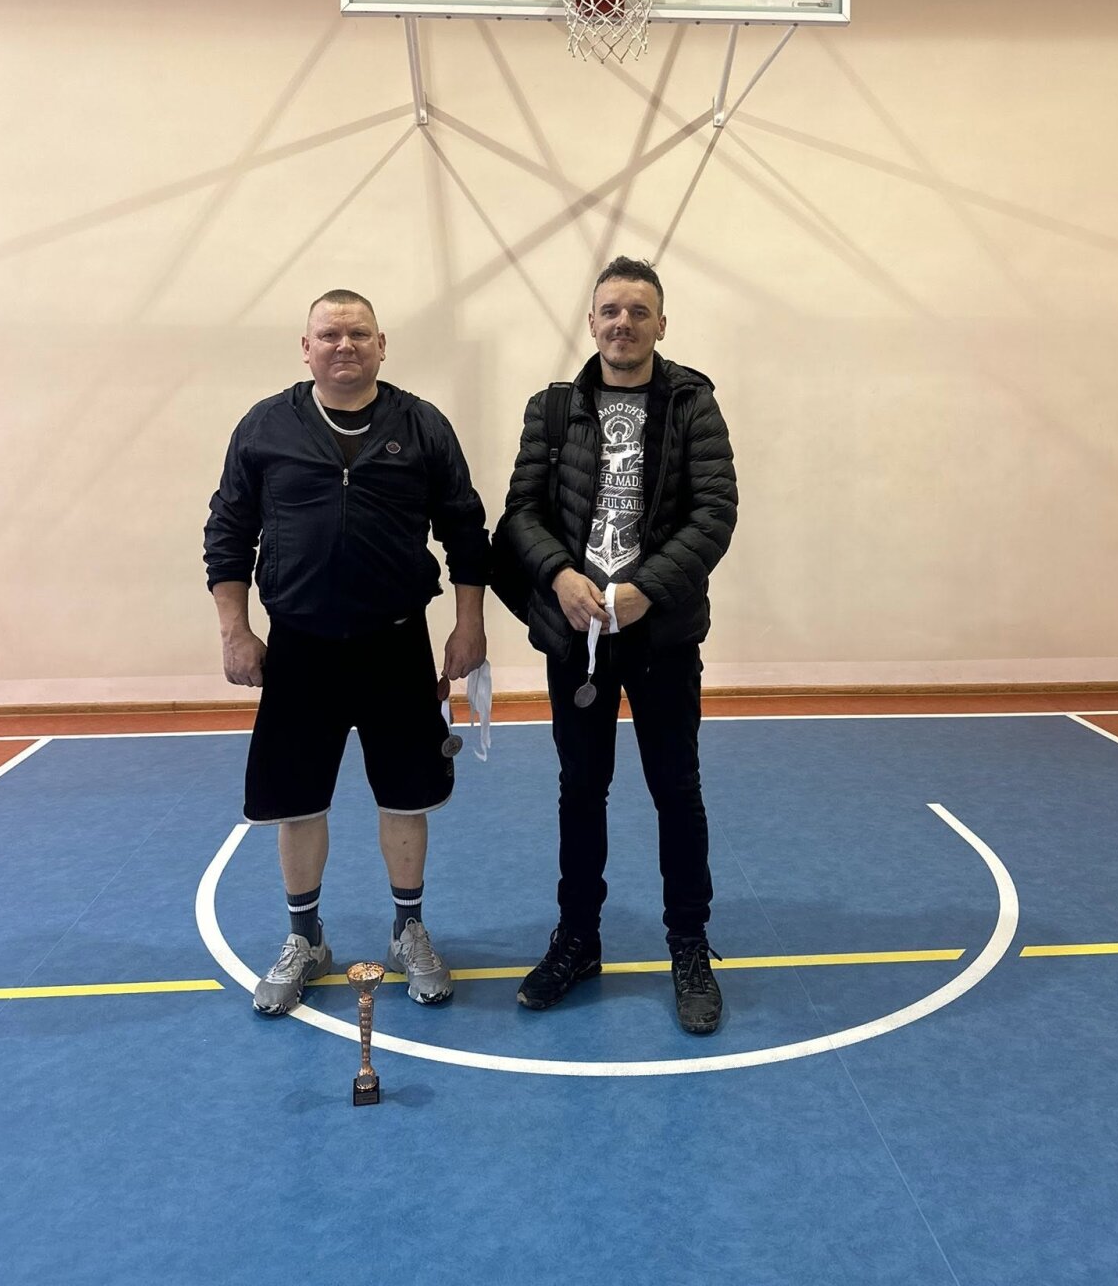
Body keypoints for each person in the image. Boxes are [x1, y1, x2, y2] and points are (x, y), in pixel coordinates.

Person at [204, 289, 489, 1016]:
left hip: (396, 643)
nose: (344, 345)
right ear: (306, 348)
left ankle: (407, 930)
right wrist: (235, 631)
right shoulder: (266, 426)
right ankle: (305, 939)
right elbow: (228, 531)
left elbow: (465, 529)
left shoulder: (422, 425)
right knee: (296, 802)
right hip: (300, 648)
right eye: (329, 335)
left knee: (407, 795)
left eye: (358, 333)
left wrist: (469, 625)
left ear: (381, 345)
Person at [499, 257, 738, 1034]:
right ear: (592, 321)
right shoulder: (553, 408)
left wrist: (647, 590)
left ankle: (689, 945)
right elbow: (521, 512)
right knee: (581, 789)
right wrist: (560, 575)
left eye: (639, 311)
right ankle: (578, 940)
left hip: (662, 635)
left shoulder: (693, 403)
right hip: (577, 639)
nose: (623, 323)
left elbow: (715, 513)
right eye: (611, 310)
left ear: (661, 324)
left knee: (677, 790)